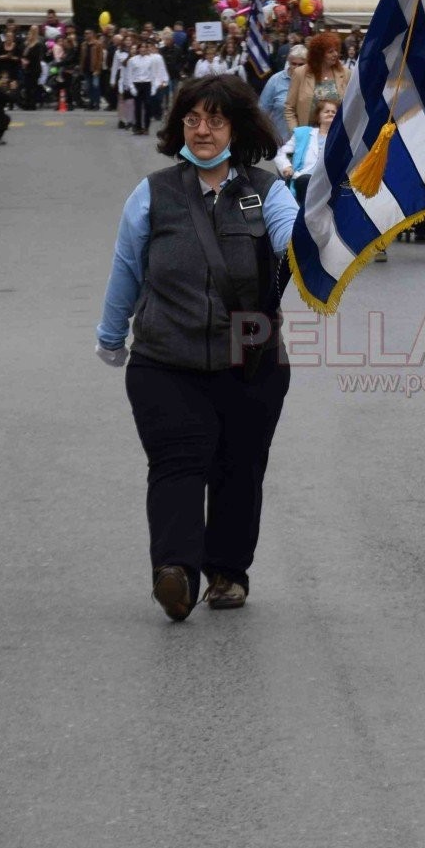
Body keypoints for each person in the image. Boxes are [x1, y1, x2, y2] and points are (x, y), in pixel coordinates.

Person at [95, 74, 298, 622]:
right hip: (166, 360)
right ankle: (176, 573)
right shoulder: (153, 194)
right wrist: (111, 338)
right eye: (192, 119)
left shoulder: (267, 190)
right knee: (177, 463)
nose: (202, 129)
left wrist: (316, 224)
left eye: (214, 119)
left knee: (240, 466)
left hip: (250, 358)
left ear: (236, 127)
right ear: (179, 126)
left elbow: (291, 240)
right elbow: (126, 271)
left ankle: (228, 571)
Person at [124, 39, 170, 136]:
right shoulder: (132, 60)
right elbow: (129, 75)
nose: (143, 49)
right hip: (137, 84)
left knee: (148, 105)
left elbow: (153, 74)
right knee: (137, 107)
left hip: (147, 84)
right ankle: (138, 127)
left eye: (145, 47)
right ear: (138, 49)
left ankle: (146, 127)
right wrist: (132, 87)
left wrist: (153, 87)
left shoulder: (150, 60)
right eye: (141, 47)